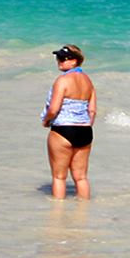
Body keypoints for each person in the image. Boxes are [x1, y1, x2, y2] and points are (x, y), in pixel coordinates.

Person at [42, 44, 96, 200]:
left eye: (65, 59)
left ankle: (57, 214)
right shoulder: (88, 81)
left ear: (76, 61)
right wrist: (86, 125)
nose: (60, 61)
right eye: (59, 58)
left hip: (63, 129)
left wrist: (47, 121)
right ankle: (83, 212)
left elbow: (53, 108)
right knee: (81, 177)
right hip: (85, 130)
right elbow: (92, 110)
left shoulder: (62, 80)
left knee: (59, 177)